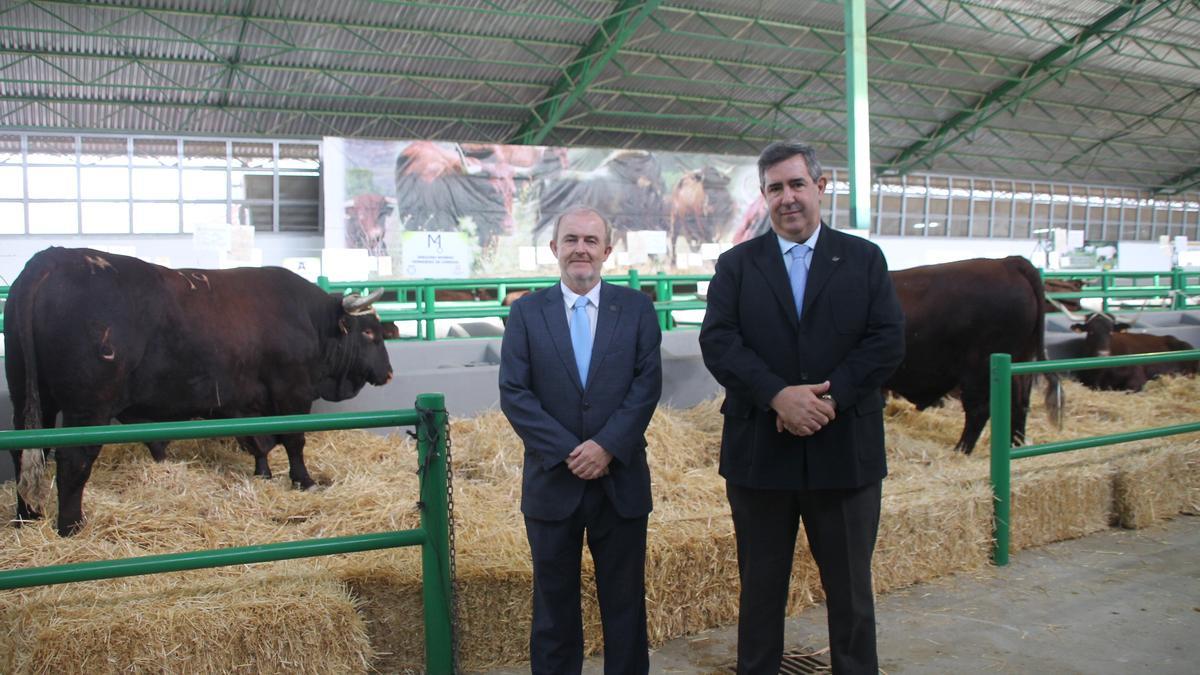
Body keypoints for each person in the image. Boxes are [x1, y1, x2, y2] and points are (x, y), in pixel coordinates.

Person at [698, 142, 905, 674]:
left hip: (844, 454)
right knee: (760, 588)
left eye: (795, 184)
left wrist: (828, 399)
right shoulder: (737, 265)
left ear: (820, 186)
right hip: (760, 455)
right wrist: (778, 396)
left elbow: (886, 341)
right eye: (774, 188)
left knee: (852, 591)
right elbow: (720, 342)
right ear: (764, 197)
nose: (786, 198)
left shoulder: (863, 260)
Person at [499, 206, 663, 675]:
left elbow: (646, 385)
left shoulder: (636, 310)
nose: (581, 249)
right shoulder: (527, 313)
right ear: (554, 248)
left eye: (591, 241)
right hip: (554, 484)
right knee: (553, 610)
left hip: (621, 483)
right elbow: (515, 393)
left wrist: (607, 446)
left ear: (607, 251)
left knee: (626, 606)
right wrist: (571, 451)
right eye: (571, 239)